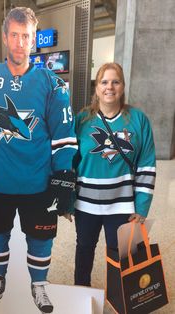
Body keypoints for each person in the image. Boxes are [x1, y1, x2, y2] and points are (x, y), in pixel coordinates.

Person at [0, 7, 77, 313]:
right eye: (15, 35)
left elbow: (64, 134)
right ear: (6, 38)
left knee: (40, 239)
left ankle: (39, 286)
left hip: (38, 183)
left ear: (33, 40)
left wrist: (64, 178)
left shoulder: (52, 83)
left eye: (27, 36)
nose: (20, 42)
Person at [73, 62, 156, 287]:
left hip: (122, 206)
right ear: (97, 88)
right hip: (85, 205)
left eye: (115, 82)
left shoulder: (139, 120)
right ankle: (81, 292)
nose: (110, 87)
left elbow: (147, 166)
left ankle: (122, 300)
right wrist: (65, 200)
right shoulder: (82, 120)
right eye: (104, 82)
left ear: (123, 86)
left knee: (121, 256)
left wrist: (141, 207)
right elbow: (70, 162)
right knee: (84, 249)